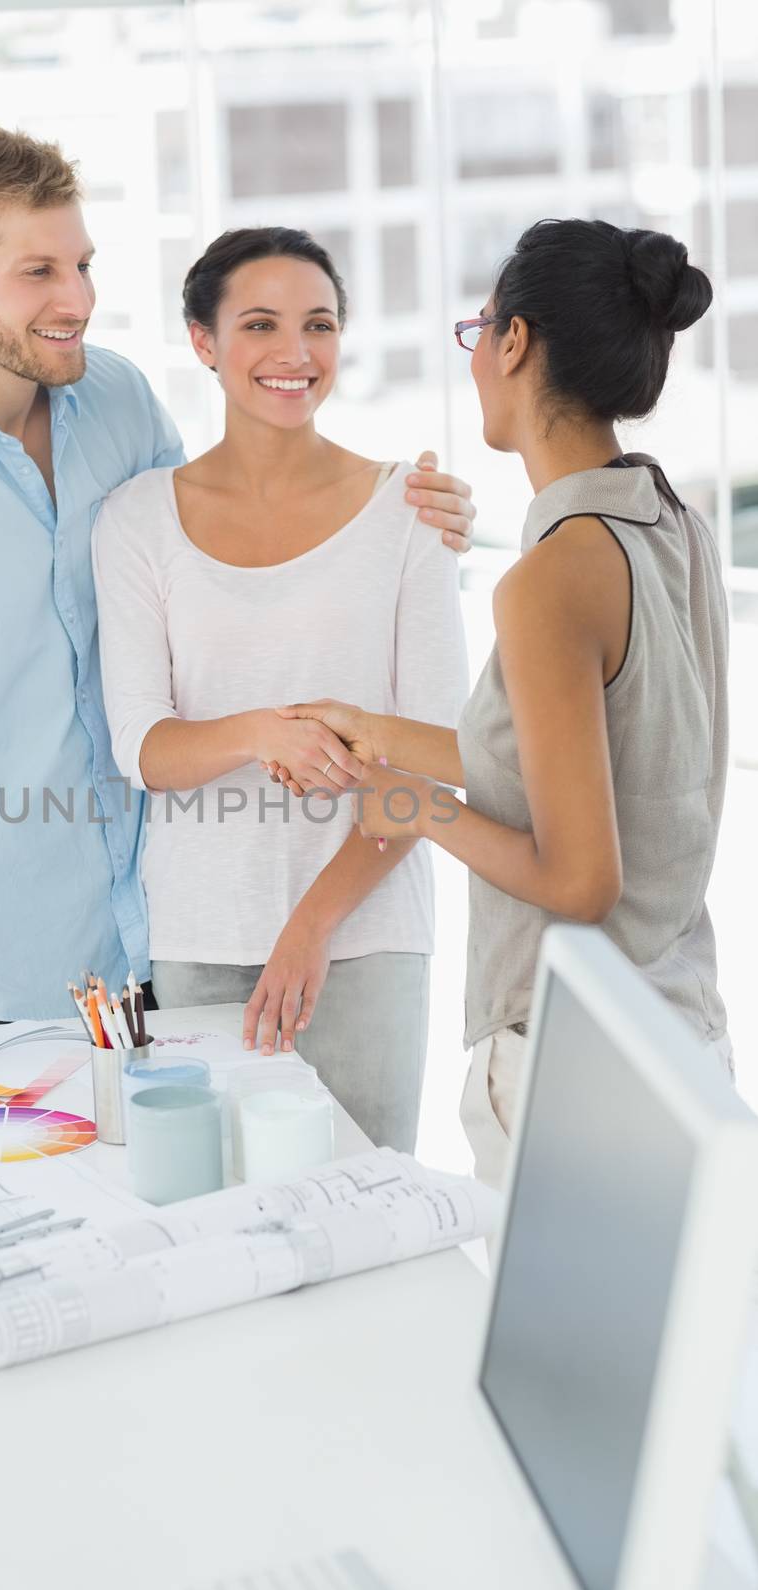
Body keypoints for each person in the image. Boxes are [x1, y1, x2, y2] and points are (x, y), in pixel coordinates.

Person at [0, 123, 473, 1063]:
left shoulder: (118, 403)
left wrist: (413, 517)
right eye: (39, 273)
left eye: (84, 265)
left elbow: (209, 573)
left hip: (168, 946)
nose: (77, 301)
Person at [277, 218, 731, 1185]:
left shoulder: (547, 578)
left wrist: (412, 807)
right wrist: (377, 734)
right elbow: (562, 761)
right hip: (681, 1039)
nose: (475, 356)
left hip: (572, 1065)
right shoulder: (668, 526)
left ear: (512, 341)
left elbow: (579, 882)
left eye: (476, 331)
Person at [92, 227, 471, 1151]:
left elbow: (433, 769)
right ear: (202, 341)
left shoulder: (406, 512)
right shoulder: (137, 519)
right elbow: (144, 750)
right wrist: (263, 730)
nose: (295, 354)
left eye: (320, 324)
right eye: (259, 324)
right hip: (199, 937)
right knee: (214, 1217)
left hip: (367, 938)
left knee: (373, 1211)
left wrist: (311, 926)